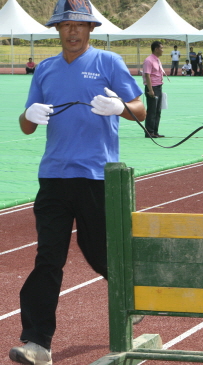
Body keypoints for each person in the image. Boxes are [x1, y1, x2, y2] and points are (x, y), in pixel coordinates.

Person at [8, 2, 146, 365]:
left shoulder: (109, 63)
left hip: (97, 177)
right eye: (66, 25)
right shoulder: (46, 69)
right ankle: (37, 344)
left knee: (102, 254)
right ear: (57, 30)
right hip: (53, 177)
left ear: (90, 29)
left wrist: (120, 107)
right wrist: (29, 115)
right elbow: (25, 125)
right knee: (47, 259)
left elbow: (140, 109)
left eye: (79, 25)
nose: (73, 31)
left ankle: (133, 299)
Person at [143, 41, 166, 138]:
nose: (162, 50)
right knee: (152, 111)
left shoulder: (157, 60)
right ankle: (149, 132)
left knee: (157, 111)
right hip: (152, 88)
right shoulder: (149, 60)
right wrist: (150, 89)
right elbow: (147, 75)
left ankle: (155, 131)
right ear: (156, 49)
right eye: (161, 48)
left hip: (159, 87)